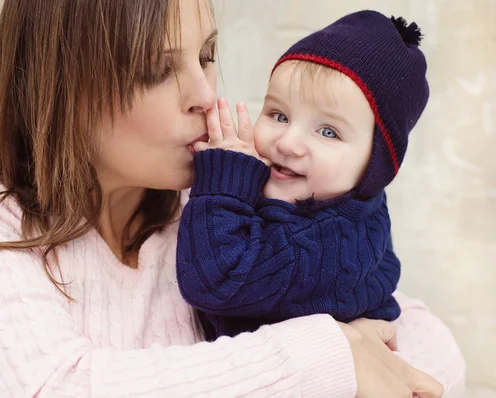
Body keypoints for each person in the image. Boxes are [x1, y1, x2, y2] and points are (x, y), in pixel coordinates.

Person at [0, 0, 464, 396]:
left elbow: (425, 346)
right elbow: (48, 389)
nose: (206, 95)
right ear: (62, 84)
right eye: (159, 70)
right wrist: (333, 355)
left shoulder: (221, 194)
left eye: (206, 56)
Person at [176, 10, 422, 339]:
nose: (289, 143)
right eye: (278, 115)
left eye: (328, 132)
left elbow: (216, 281)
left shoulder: (319, 242)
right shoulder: (344, 201)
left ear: (374, 166)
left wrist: (223, 181)